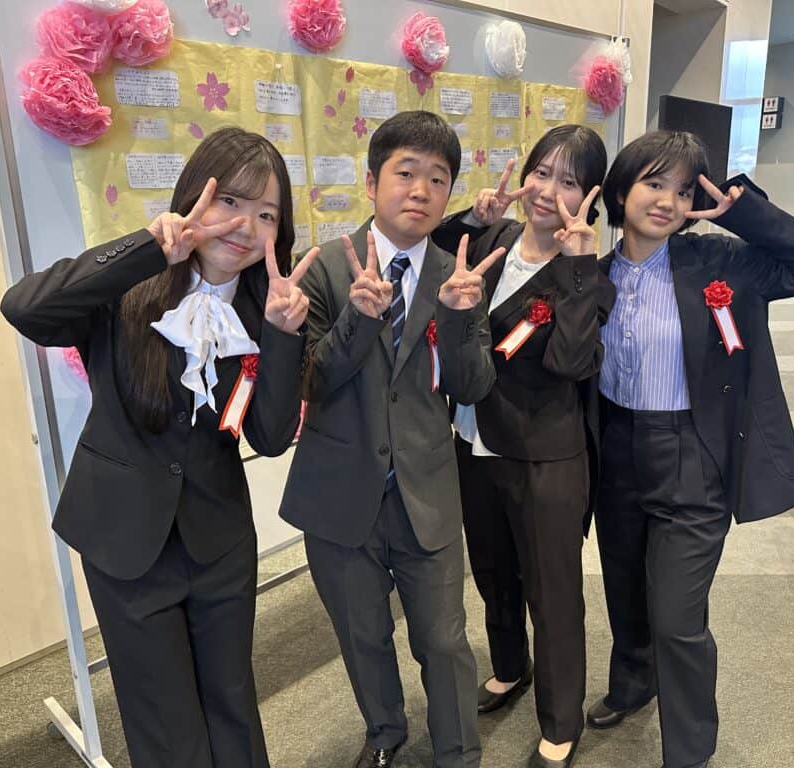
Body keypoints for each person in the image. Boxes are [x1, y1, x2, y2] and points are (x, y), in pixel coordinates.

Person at [1, 127, 316, 768]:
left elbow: (269, 437)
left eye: (266, 215)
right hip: (125, 541)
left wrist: (284, 337)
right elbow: (24, 307)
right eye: (231, 201)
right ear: (195, 196)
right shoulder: (128, 290)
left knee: (232, 703)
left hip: (219, 541)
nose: (245, 227)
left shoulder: (267, 310)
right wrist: (148, 249)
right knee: (163, 724)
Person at [585, 131, 794, 768]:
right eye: (653, 184)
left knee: (677, 616)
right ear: (621, 190)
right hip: (616, 450)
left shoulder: (719, 260)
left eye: (681, 190)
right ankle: (633, 684)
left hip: (692, 454)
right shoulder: (594, 272)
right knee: (625, 590)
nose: (666, 201)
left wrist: (743, 211)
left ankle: (690, 751)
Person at [280, 110, 504, 768]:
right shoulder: (322, 269)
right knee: (362, 634)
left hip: (425, 489)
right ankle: (384, 734)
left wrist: (459, 319)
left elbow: (473, 387)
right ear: (372, 181)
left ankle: (458, 752)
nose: (421, 190)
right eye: (406, 173)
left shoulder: (458, 276)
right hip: (338, 492)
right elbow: (309, 382)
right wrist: (356, 318)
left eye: (438, 178)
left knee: (444, 639)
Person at [434, 126, 614, 768]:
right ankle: (510, 665)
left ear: (589, 196)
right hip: (471, 439)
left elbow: (571, 362)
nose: (547, 191)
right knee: (492, 571)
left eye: (568, 181)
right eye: (541, 173)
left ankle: (563, 721)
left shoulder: (589, 274)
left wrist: (576, 266)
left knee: (552, 590)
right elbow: (432, 251)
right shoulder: (496, 239)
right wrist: (472, 216)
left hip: (544, 455)